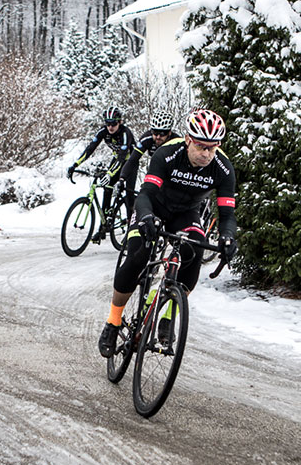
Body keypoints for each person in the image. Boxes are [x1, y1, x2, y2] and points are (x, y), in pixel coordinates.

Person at [98, 108, 238, 358]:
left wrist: (228, 237)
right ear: (188, 140)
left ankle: (168, 317)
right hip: (154, 207)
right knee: (137, 256)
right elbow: (146, 195)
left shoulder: (223, 168)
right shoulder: (167, 153)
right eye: (201, 146)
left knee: (195, 250)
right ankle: (113, 321)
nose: (206, 154)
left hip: (186, 214)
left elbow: (227, 214)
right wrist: (146, 218)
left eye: (212, 148)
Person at [67, 105, 139, 229]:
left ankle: (130, 227)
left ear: (119, 122)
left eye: (113, 123)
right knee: (107, 187)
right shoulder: (103, 132)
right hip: (117, 159)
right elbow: (90, 149)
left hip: (130, 162)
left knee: (129, 194)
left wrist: (109, 173)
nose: (110, 127)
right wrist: (75, 165)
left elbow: (123, 157)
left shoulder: (125, 133)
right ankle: (104, 224)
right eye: (107, 123)